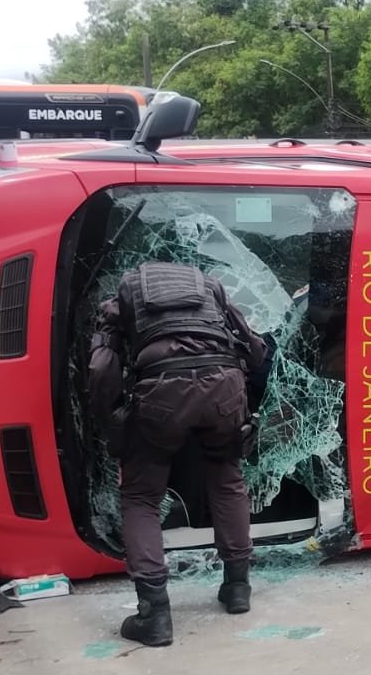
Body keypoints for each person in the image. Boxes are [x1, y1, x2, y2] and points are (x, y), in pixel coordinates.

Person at [88, 261, 270, 648]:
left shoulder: (122, 298)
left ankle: (154, 614)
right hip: (225, 388)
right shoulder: (211, 290)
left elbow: (101, 368)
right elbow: (255, 349)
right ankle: (238, 588)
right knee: (226, 478)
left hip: (161, 393)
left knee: (141, 496)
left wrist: (113, 421)